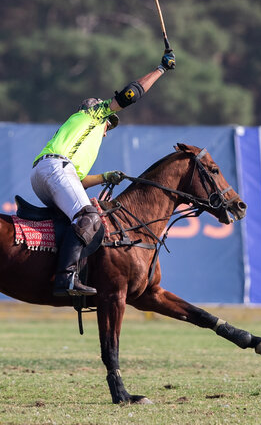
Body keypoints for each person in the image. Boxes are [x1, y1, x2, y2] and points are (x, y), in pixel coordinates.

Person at [31, 49, 177, 297]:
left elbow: (75, 180)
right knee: (89, 216)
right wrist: (161, 69)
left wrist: (104, 177)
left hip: (45, 173)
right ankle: (66, 278)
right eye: (109, 123)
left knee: (76, 219)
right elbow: (130, 95)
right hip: (55, 169)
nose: (108, 130)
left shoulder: (75, 135)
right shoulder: (92, 115)